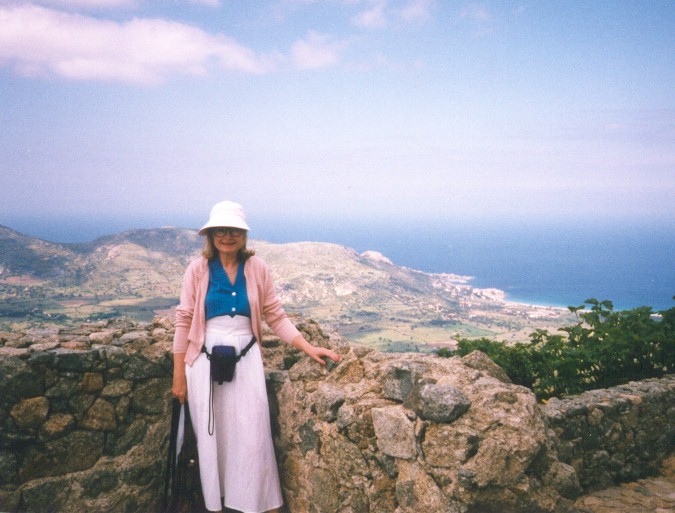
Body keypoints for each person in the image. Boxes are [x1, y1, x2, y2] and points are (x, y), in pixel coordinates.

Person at [171, 200, 340, 513]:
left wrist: (308, 347)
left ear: (243, 235)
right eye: (221, 230)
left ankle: (259, 505)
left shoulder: (257, 267)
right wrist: (178, 375)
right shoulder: (197, 270)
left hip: (247, 359)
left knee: (253, 436)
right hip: (204, 363)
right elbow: (184, 320)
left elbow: (275, 315)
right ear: (211, 235)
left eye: (234, 230)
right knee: (211, 437)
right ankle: (220, 504)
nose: (228, 236)